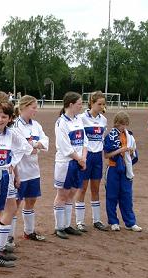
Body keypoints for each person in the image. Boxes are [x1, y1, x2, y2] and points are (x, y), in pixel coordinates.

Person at [0, 101, 32, 265]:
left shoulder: (12, 133)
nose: (0, 119)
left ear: (10, 118)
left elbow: (25, 147)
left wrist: (12, 163)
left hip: (5, 178)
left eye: (4, 116)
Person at [13, 95, 49, 241]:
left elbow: (45, 140)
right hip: (20, 171)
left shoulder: (36, 125)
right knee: (14, 205)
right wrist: (35, 145)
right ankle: (8, 237)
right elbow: (23, 146)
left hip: (34, 170)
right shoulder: (15, 126)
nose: (36, 110)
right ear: (24, 108)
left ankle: (29, 232)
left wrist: (36, 145)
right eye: (33, 107)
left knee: (31, 200)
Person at [53, 92, 87, 239]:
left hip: (79, 161)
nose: (82, 106)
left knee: (72, 193)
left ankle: (67, 225)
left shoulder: (79, 119)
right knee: (62, 194)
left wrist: (83, 157)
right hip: (66, 163)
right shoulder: (61, 122)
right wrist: (80, 159)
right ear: (71, 104)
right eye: (79, 103)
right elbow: (65, 147)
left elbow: (85, 141)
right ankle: (59, 227)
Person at [75, 91, 108, 232]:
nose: (101, 106)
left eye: (103, 104)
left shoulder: (104, 120)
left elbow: (101, 138)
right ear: (91, 103)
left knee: (95, 189)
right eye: (99, 104)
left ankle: (97, 220)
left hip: (97, 157)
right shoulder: (81, 118)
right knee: (82, 189)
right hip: (86, 157)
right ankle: (79, 222)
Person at [103, 111, 141, 232]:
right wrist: (121, 150)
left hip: (125, 169)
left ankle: (130, 222)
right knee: (112, 196)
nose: (123, 127)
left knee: (127, 196)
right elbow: (106, 155)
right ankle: (113, 221)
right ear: (116, 123)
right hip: (113, 169)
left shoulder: (129, 136)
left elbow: (133, 153)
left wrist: (130, 152)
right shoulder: (110, 136)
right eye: (121, 124)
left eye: (125, 124)